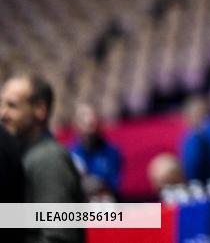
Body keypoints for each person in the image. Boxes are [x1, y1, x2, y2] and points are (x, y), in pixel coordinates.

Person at [0, 74, 85, 243]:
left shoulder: (50, 160)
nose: (3, 114)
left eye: (12, 106)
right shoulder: (25, 156)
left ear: (40, 109)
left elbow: (59, 237)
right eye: (2, 105)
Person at [69, 102, 122, 200]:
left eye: (92, 118)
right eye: (83, 118)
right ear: (75, 124)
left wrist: (94, 182)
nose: (89, 121)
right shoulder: (69, 154)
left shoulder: (112, 152)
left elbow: (113, 186)